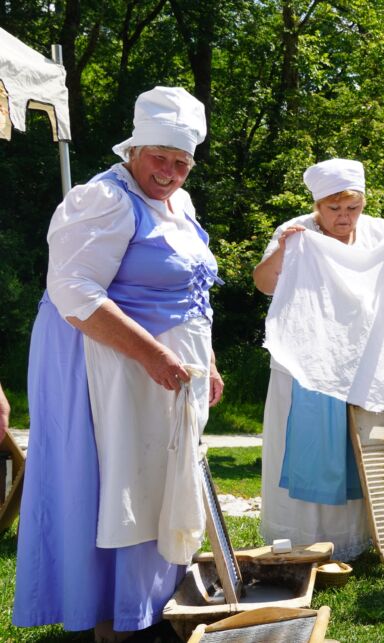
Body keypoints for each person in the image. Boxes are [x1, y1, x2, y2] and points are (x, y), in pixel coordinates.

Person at [13, 86, 224, 641]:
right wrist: (153, 353)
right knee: (120, 480)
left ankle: (152, 603)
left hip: (164, 369)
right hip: (103, 365)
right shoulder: (102, 199)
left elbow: (194, 293)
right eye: (161, 157)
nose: (171, 171)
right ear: (134, 149)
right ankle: (108, 613)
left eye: (182, 162)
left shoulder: (180, 203)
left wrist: (211, 360)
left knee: (163, 477)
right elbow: (73, 289)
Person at [253, 158, 384, 561]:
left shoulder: (378, 233)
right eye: (334, 209)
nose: (344, 217)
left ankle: (359, 539)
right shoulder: (296, 231)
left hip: (362, 362)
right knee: (310, 443)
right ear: (317, 205)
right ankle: (302, 539)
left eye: (352, 208)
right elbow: (264, 283)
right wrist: (284, 251)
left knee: (360, 448)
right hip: (306, 364)